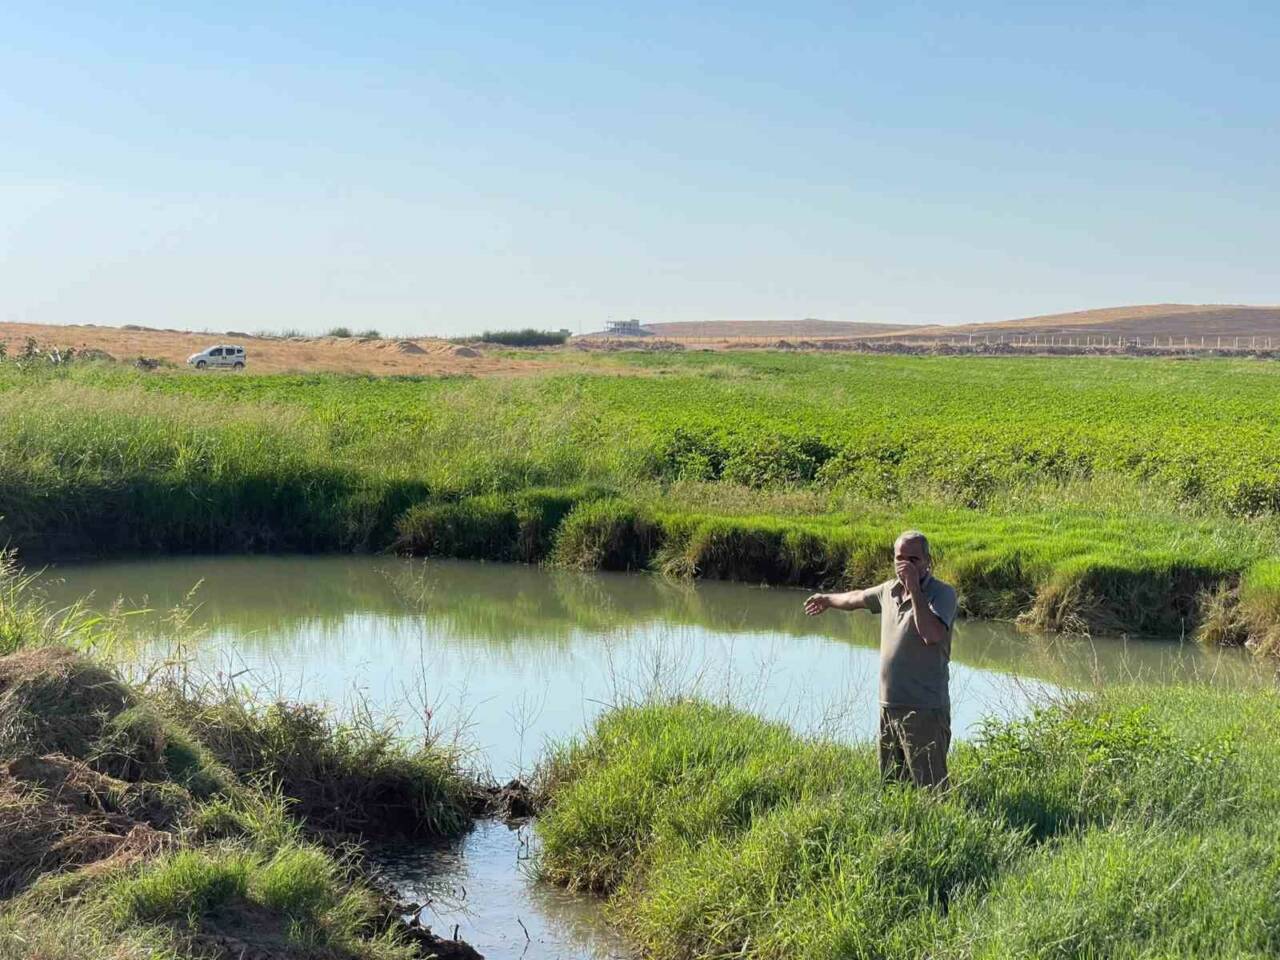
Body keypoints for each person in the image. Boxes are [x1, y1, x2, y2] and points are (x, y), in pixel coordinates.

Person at [803, 530, 957, 788]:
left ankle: (940, 827)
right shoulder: (888, 591)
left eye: (913, 560)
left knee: (932, 790)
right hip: (889, 706)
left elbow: (931, 634)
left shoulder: (942, 594)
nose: (905, 566)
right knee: (892, 786)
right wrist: (827, 599)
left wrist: (915, 590)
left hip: (924, 710)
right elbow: (856, 598)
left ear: (928, 561)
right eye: (900, 559)